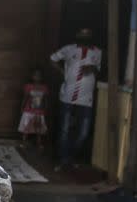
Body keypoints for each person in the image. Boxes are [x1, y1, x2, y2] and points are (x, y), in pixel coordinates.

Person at [49, 28, 102, 169]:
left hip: (86, 98)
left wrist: (92, 69)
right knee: (64, 129)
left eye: (87, 33)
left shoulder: (97, 52)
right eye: (82, 33)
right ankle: (63, 159)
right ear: (77, 35)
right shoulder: (68, 49)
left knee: (83, 132)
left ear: (91, 36)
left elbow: (98, 69)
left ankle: (70, 157)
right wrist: (63, 73)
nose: (84, 36)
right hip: (68, 94)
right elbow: (52, 59)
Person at [18, 68, 49, 149]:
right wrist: (22, 107)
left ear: (42, 77)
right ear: (32, 76)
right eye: (35, 75)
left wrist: (45, 108)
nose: (37, 77)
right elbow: (25, 98)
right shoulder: (28, 86)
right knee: (26, 127)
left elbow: (45, 99)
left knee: (39, 128)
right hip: (28, 110)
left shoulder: (44, 87)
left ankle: (39, 143)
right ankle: (23, 142)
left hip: (39, 111)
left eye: (39, 76)